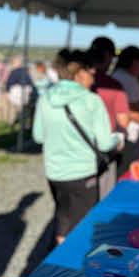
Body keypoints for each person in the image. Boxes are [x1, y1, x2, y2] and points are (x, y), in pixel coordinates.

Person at [33, 49, 118, 243]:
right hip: (82, 173)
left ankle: (60, 265)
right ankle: (76, 267)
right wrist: (117, 140)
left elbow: (38, 136)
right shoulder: (92, 100)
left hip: (55, 173)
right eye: (91, 71)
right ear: (79, 73)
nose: (94, 75)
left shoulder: (45, 98)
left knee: (64, 219)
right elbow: (105, 143)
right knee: (84, 227)